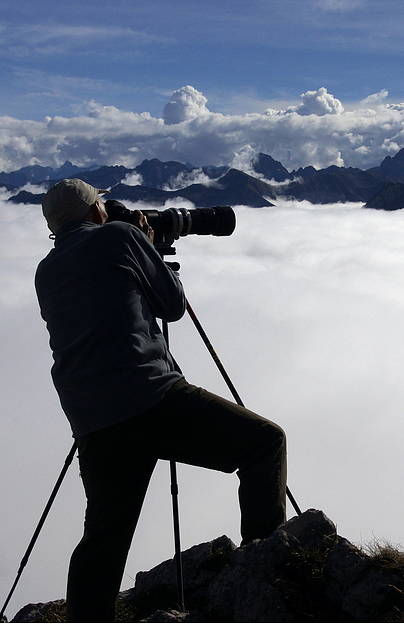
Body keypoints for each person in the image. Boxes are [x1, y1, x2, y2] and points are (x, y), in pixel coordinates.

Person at [35, 179, 287, 622]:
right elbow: (171, 307)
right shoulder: (121, 236)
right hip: (151, 396)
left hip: (93, 421)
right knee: (264, 443)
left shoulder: (46, 270)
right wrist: (148, 245)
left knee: (103, 540)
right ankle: (263, 570)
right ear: (97, 212)